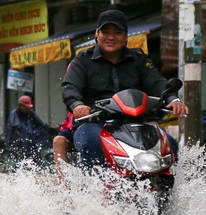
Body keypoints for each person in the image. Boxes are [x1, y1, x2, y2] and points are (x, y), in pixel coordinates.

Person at [61, 9, 188, 168]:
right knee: (92, 143)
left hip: (134, 124)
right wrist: (77, 105)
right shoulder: (83, 60)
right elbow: (69, 87)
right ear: (97, 34)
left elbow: (156, 82)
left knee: (169, 144)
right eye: (105, 32)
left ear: (126, 35)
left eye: (117, 32)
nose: (111, 37)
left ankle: (170, 190)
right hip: (95, 124)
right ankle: (93, 191)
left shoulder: (139, 59)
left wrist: (173, 99)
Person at [5, 96, 50, 161]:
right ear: (21, 106)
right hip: (18, 143)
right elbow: (13, 130)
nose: (28, 109)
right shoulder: (14, 114)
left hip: (31, 141)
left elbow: (40, 125)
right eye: (26, 107)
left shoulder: (30, 113)